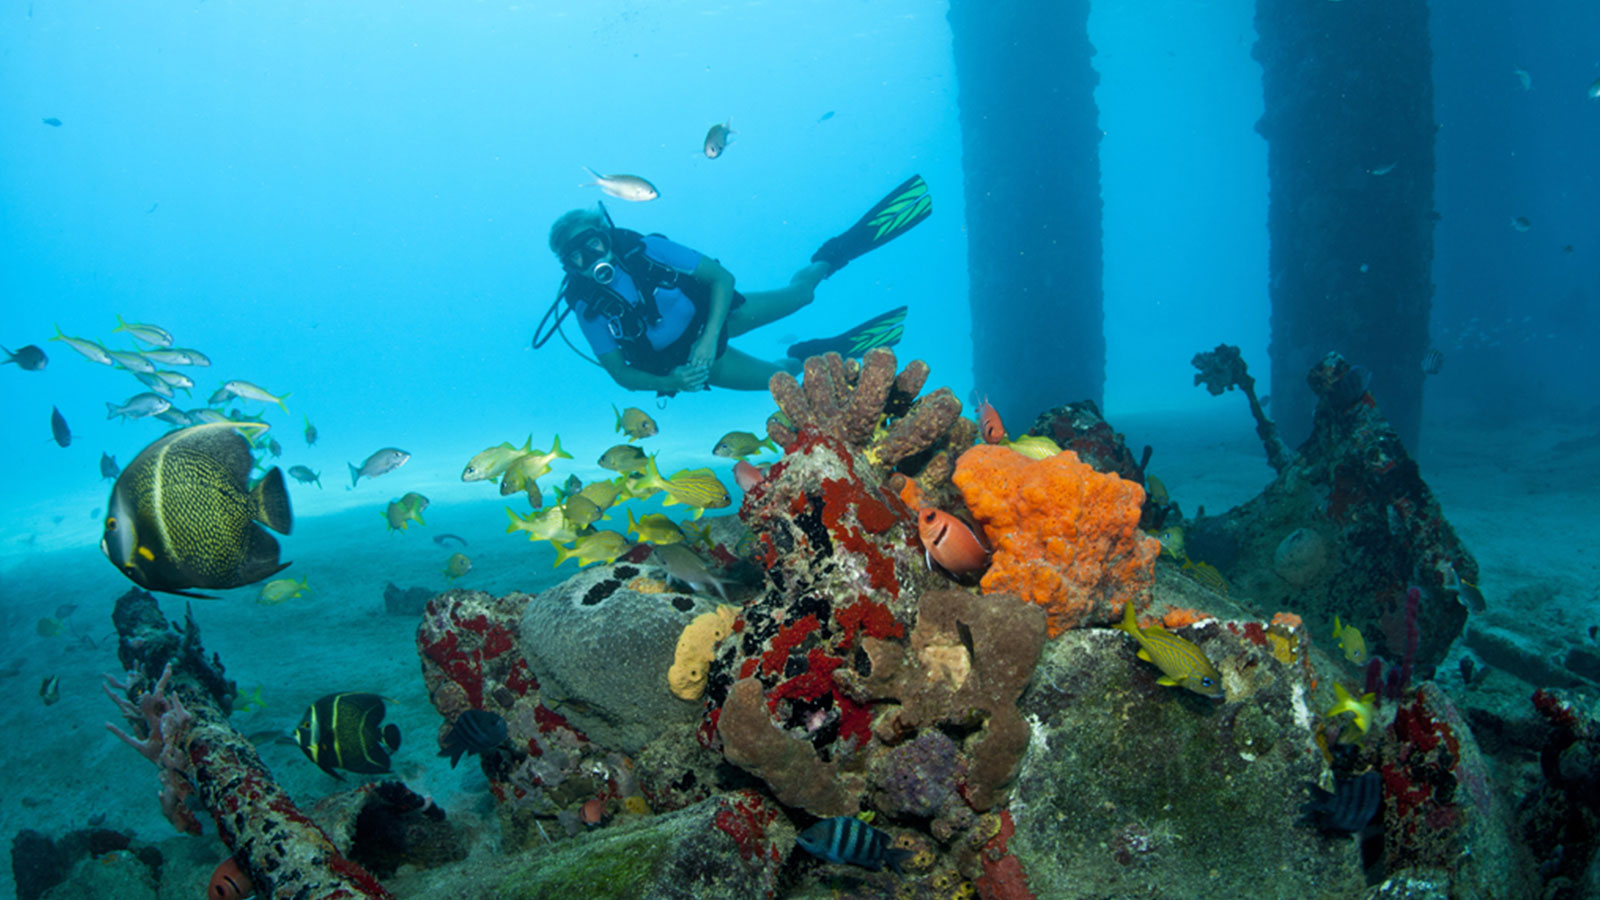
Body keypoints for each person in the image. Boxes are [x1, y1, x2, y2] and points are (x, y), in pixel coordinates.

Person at [537, 175, 931, 395]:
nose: (592, 257)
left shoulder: (645, 249)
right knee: (783, 382)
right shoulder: (587, 307)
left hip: (717, 315)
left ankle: (834, 255)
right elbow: (621, 375)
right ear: (568, 266)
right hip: (689, 363)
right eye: (578, 255)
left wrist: (709, 338)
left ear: (606, 233)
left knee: (802, 295)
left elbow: (721, 278)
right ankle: (810, 351)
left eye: (594, 242)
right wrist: (672, 381)